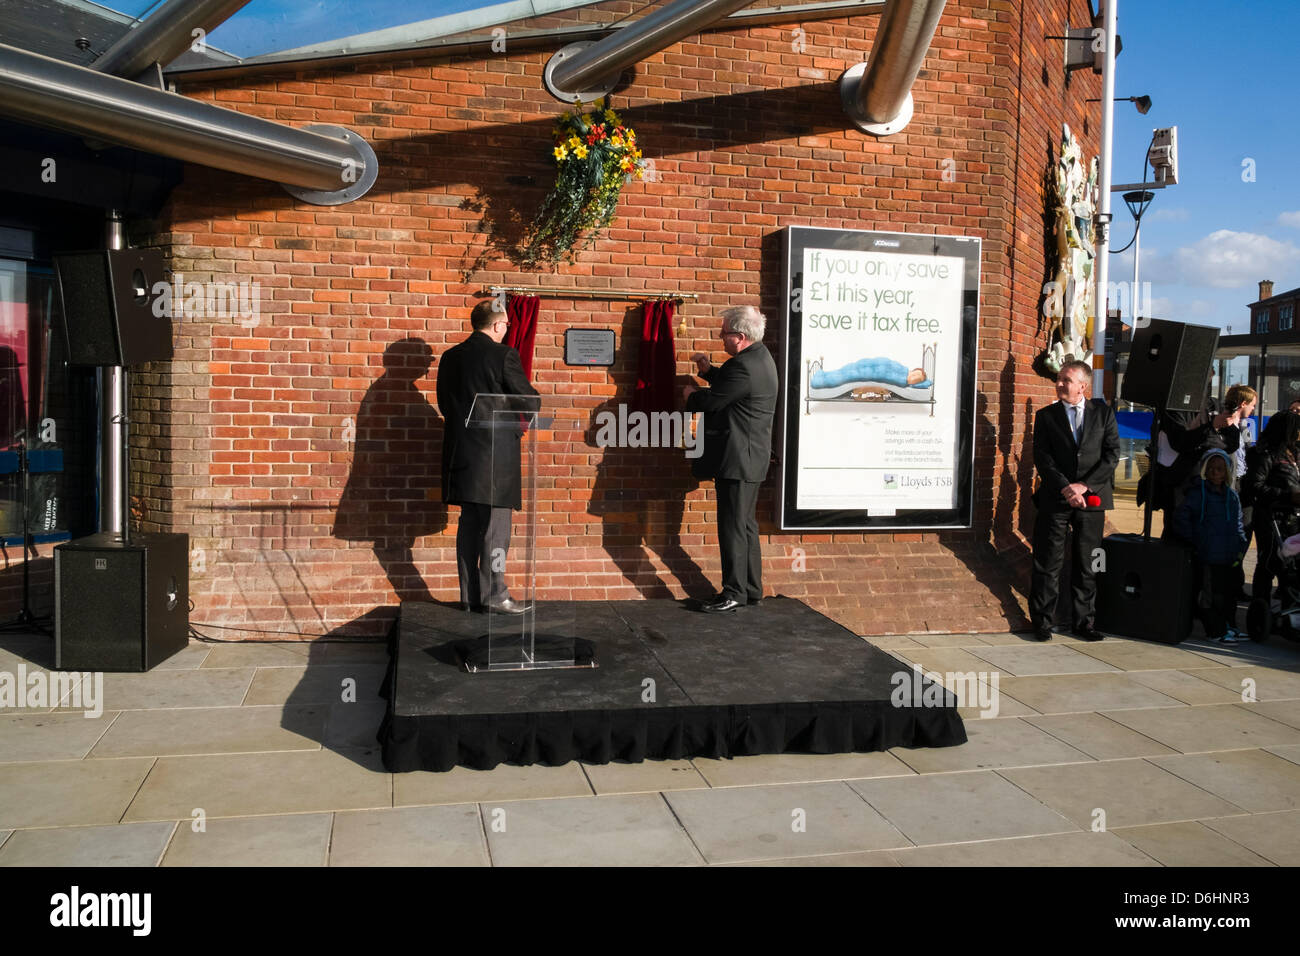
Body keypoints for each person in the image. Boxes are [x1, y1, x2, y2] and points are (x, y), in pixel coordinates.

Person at [437, 300, 539, 613]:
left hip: (461, 455)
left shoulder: (450, 357)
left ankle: (470, 597)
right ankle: (496, 595)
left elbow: (445, 404)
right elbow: (530, 402)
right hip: (496, 459)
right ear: (497, 325)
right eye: (506, 325)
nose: (507, 329)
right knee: (497, 533)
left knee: (469, 527)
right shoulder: (503, 355)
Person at [682, 305, 779, 613]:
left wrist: (690, 396)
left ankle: (734, 591)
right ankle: (751, 589)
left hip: (738, 459)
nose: (720, 337)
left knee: (732, 527)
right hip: (751, 458)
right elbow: (732, 385)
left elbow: (713, 402)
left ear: (739, 337)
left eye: (723, 333)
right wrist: (709, 372)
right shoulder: (759, 358)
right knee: (745, 525)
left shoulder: (744, 366)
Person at [1028, 359, 1120, 642]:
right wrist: (1067, 488)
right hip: (1056, 499)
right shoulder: (1046, 416)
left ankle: (1084, 623)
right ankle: (1042, 622)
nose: (1059, 384)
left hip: (1092, 500)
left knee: (1089, 562)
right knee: (1047, 561)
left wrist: (1084, 486)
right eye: (1058, 379)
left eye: (1065, 380)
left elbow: (1111, 455)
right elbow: (1043, 458)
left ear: (1083, 385)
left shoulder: (1103, 414)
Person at [1172, 449, 1248, 643]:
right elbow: (1181, 518)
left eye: (1220, 469)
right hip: (1207, 554)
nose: (1215, 473)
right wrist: (1195, 540)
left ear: (1227, 472)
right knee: (1210, 595)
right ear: (1205, 471)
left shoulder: (1232, 496)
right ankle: (1215, 631)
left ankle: (1229, 625)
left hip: (1229, 555)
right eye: (1212, 469)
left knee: (1228, 594)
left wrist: (1240, 545)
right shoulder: (1198, 494)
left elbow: (1238, 523)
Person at [1248, 409, 1300, 607]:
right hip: (1271, 517)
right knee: (1270, 561)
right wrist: (1288, 496)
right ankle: (1260, 604)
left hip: (1294, 517)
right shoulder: (1265, 454)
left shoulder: (1295, 453)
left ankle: (1289, 603)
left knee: (1293, 564)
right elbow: (1255, 486)